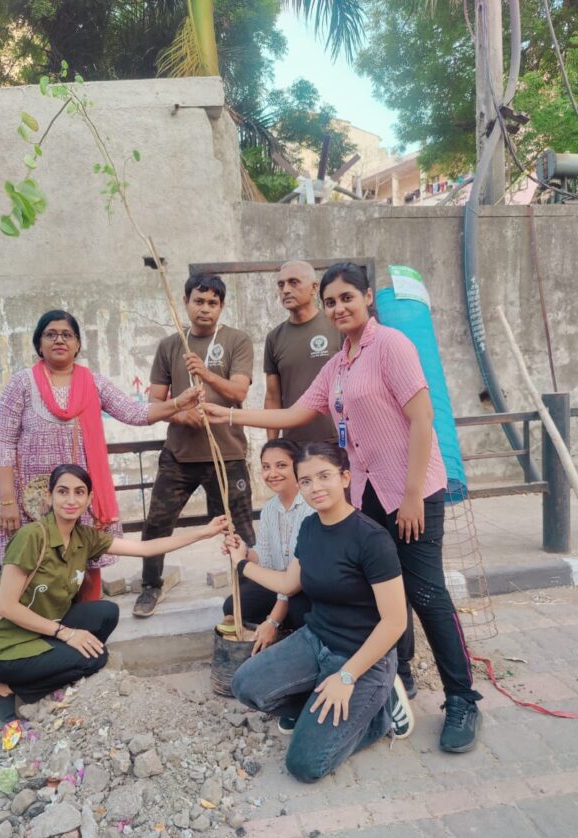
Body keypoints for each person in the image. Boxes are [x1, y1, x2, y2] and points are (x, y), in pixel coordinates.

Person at [203, 262, 483, 753]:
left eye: (346, 297)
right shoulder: (338, 364)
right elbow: (292, 413)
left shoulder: (391, 345)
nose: (338, 308)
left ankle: (462, 699)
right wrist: (227, 413)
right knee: (378, 592)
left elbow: (422, 419)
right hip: (369, 491)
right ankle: (397, 677)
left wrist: (414, 493)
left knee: (426, 594)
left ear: (368, 297)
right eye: (331, 302)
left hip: (412, 489)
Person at [0, 464, 227, 728]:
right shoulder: (32, 537)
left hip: (39, 628)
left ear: (89, 499)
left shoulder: (84, 537)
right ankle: (1, 689)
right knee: (96, 658)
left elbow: (144, 548)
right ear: (49, 497)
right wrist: (66, 633)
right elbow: (6, 607)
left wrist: (203, 532)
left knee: (106, 614)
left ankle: (40, 677)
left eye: (79, 492)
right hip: (1, 644)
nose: (71, 500)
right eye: (63, 491)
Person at [227, 443, 413, 781]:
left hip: (362, 657)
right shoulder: (310, 528)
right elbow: (288, 581)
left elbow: (396, 620)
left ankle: (378, 715)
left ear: (345, 477)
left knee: (306, 765)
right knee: (244, 684)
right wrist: (241, 563)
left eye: (324, 476)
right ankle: (325, 708)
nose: (316, 487)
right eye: (307, 480)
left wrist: (346, 677)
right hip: (316, 640)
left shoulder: (372, 539)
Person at [0, 310, 202, 601]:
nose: (59, 340)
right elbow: (3, 443)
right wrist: (7, 501)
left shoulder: (93, 383)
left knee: (84, 562)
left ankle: (85, 628)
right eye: (50, 334)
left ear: (78, 345)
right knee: (33, 564)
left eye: (67, 334)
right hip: (31, 497)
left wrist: (177, 403)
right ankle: (39, 629)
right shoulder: (21, 384)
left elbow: (135, 413)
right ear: (39, 344)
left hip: (78, 496)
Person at [132, 274, 255, 618]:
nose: (205, 309)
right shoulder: (171, 344)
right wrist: (180, 414)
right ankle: (150, 585)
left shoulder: (237, 340)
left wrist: (207, 372)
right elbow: (156, 399)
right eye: (198, 301)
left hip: (227, 453)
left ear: (221, 306)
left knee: (239, 527)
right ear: (185, 302)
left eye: (212, 303)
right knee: (157, 523)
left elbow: (239, 393)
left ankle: (248, 589)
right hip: (180, 456)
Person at [218, 439, 312, 655]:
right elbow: (266, 558)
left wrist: (273, 621)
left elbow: (293, 580)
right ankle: (280, 630)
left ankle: (288, 636)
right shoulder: (270, 509)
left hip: (305, 587)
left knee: (298, 608)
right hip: (281, 585)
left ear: (297, 466)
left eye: (281, 465)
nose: (272, 473)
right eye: (266, 467)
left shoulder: (309, 507)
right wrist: (244, 551)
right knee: (233, 606)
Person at [263, 260, 341, 444]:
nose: (286, 290)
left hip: (338, 441)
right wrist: (272, 445)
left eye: (294, 282)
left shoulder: (337, 325)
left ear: (314, 288)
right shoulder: (274, 337)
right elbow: (273, 396)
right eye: (281, 284)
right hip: (295, 445)